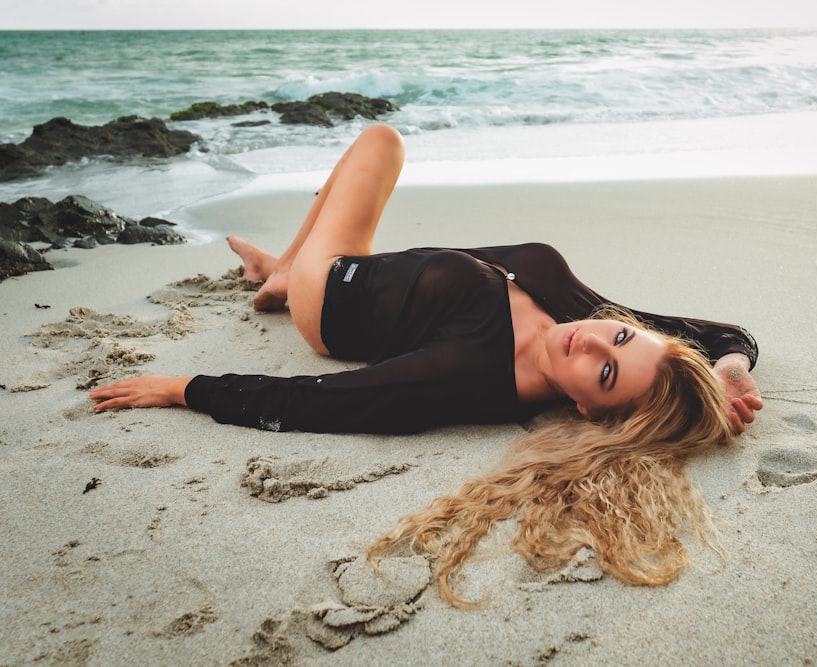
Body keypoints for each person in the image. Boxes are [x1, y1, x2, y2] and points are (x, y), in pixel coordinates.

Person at [90, 124, 762, 605]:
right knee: (383, 141)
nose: (589, 341)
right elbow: (717, 332)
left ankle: (290, 276)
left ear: (587, 408)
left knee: (378, 141)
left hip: (330, 297)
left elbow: (326, 400)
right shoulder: (581, 313)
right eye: (617, 336)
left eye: (605, 371)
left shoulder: (468, 369)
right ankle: (276, 269)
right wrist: (730, 368)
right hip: (389, 271)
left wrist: (185, 387)